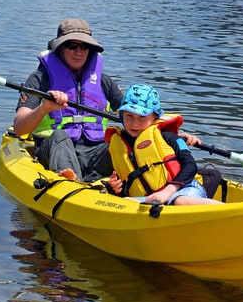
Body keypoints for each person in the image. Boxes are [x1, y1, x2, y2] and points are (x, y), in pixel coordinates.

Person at [13, 19, 123, 182]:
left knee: (122, 140)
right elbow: (19, 128)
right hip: (55, 150)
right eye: (72, 45)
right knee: (60, 136)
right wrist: (45, 108)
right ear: (60, 48)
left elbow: (133, 115)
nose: (78, 52)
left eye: (84, 46)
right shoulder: (40, 79)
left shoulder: (103, 81)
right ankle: (71, 182)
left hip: (95, 153)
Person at [104, 84, 223, 206]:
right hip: (153, 198)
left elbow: (190, 165)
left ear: (155, 116)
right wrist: (115, 188)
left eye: (142, 117)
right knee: (127, 203)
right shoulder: (118, 144)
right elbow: (129, 183)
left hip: (184, 189)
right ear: (121, 115)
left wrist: (168, 191)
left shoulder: (168, 136)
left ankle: (230, 212)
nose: (135, 123)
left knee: (180, 201)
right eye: (129, 116)